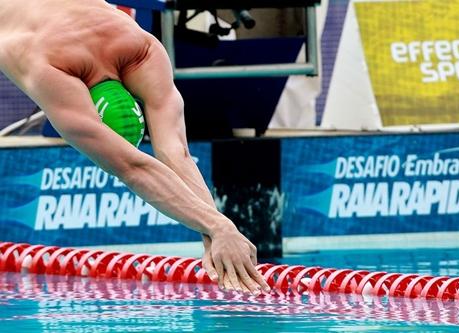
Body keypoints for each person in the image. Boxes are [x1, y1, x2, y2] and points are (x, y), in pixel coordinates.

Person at [0, 0, 270, 295]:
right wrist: (218, 228)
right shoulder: (49, 67)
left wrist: (216, 230)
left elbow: (175, 153)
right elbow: (132, 166)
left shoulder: (139, 47)